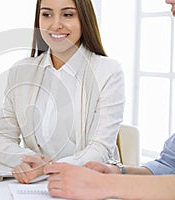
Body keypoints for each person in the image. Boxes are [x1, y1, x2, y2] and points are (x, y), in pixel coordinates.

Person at [44, 1, 175, 199]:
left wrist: (106, 184)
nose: (167, 0)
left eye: (68, 14)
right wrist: (119, 172)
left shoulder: (107, 71)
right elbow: (168, 165)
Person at [0, 0, 125, 184]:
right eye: (46, 14)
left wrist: (47, 168)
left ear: (84, 18)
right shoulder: (20, 71)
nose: (55, 25)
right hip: (35, 187)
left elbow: (100, 149)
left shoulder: (108, 71)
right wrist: (30, 161)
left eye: (68, 14)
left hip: (87, 185)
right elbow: (2, 141)